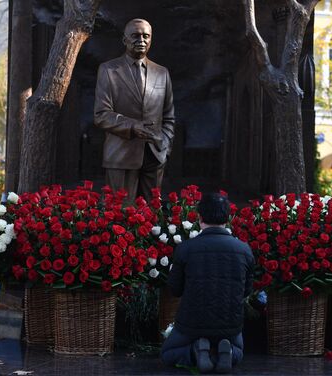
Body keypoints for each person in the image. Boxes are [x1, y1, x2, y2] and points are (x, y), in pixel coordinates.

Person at [161, 193, 254, 374]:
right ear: (227, 218)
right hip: (230, 324)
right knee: (240, 352)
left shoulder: (186, 248)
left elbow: (175, 289)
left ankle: (195, 351)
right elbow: (246, 290)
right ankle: (226, 352)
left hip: (191, 324)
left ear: (200, 218)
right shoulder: (243, 249)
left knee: (168, 354)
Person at [94, 18, 175, 203]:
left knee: (152, 218)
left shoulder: (162, 73)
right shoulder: (108, 70)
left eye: (146, 36)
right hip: (120, 156)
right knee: (119, 217)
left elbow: (169, 116)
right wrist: (134, 126)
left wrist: (165, 145)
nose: (142, 40)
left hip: (155, 156)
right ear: (124, 40)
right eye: (135, 36)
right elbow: (101, 115)